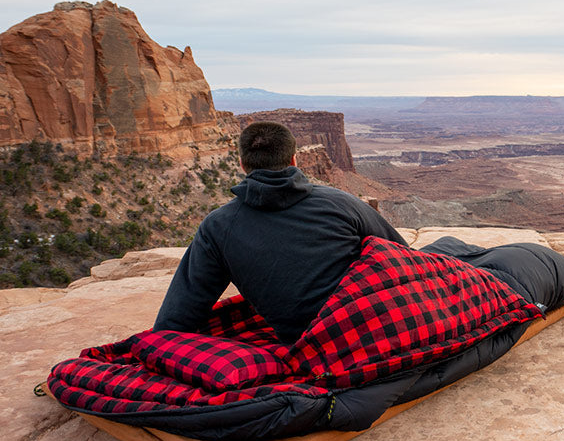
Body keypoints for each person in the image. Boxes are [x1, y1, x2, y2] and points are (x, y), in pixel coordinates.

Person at [154, 121, 407, 343]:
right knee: (446, 247)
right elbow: (404, 256)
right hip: (375, 323)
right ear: (294, 160)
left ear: (242, 164)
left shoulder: (218, 226)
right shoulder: (341, 202)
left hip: (308, 345)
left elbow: (178, 315)